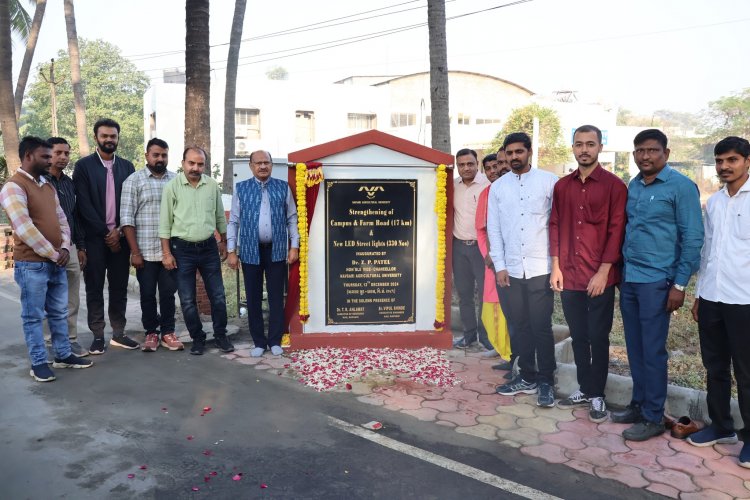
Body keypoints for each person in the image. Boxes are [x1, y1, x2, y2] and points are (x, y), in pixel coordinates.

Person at [611, 129, 703, 441]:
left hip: (658, 281)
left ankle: (653, 417)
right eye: (640, 151)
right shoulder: (634, 185)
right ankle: (638, 405)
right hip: (632, 280)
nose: (646, 156)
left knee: (652, 351)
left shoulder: (681, 187)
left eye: (652, 150)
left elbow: (692, 238)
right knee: (635, 349)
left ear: (665, 152)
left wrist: (680, 285)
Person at [550, 125, 627, 422]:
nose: (584, 149)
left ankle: (598, 396)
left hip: (599, 277)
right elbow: (555, 225)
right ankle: (585, 387)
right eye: (579, 144)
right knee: (579, 336)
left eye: (590, 144)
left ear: (600, 147)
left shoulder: (614, 186)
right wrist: (556, 267)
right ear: (572, 147)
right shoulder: (562, 186)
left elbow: (616, 230)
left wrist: (604, 271)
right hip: (569, 274)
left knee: (598, 337)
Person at [0, 136, 93, 381]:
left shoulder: (47, 185)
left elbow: (62, 220)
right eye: (45, 156)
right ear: (29, 156)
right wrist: (55, 254)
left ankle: (63, 355)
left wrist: (64, 248)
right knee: (33, 316)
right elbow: (24, 228)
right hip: (32, 264)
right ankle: (39, 362)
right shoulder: (13, 187)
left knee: (59, 312)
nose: (50, 160)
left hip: (55, 262)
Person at [688, 136, 750, 468]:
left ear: (747, 162)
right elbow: (707, 252)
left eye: (732, 160)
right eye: (720, 161)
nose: (725, 166)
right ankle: (721, 426)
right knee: (715, 368)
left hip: (745, 300)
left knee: (747, 371)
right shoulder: (714, 203)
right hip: (713, 297)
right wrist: (700, 295)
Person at [488, 132, 558, 407]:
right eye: (510, 152)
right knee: (521, 325)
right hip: (512, 269)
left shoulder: (549, 182)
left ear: (529, 152)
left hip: (541, 267)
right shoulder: (498, 188)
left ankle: (546, 382)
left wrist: (557, 266)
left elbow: (557, 225)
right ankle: (527, 377)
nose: (515, 157)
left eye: (520, 151)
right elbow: (493, 227)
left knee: (542, 327)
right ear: (504, 154)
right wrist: (500, 265)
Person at [159, 146, 234, 356]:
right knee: (187, 299)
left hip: (209, 247)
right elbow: (165, 224)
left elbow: (220, 216)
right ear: (183, 163)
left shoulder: (211, 185)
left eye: (200, 164)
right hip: (182, 249)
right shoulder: (172, 187)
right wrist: (166, 254)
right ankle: (197, 338)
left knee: (217, 295)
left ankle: (220, 335)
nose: (195, 167)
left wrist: (224, 241)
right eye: (191, 163)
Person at [73, 118, 137, 354]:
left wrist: (119, 230)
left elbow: (131, 203)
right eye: (105, 136)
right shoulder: (83, 166)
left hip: (120, 238)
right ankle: (98, 335)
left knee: (119, 287)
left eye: (113, 136)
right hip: (95, 239)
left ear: (118, 138)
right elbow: (84, 205)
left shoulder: (127, 167)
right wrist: (104, 232)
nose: (109, 140)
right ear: (96, 138)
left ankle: (118, 333)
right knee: (95, 287)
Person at [227, 150, 299, 357]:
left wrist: (294, 246)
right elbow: (234, 221)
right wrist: (232, 251)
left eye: (266, 162)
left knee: (277, 297)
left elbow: (291, 218)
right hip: (250, 251)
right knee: (253, 297)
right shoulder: (241, 189)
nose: (262, 166)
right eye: (258, 163)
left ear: (272, 165)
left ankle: (275, 339)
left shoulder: (282, 187)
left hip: (276, 251)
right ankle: (259, 341)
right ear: (250, 166)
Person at [120, 138, 182, 352]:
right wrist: (134, 252)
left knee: (167, 294)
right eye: (155, 155)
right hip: (144, 252)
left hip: (170, 253)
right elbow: (127, 220)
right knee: (146, 294)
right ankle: (151, 333)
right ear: (147, 155)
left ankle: (168, 332)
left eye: (164, 155)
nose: (160, 159)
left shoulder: (176, 181)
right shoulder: (133, 181)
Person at [42, 137, 88, 357]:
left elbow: (74, 216)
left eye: (66, 153)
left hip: (69, 247)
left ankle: (71, 340)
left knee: (71, 298)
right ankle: (49, 343)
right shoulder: (39, 181)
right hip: (46, 249)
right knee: (47, 297)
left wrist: (80, 247)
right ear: (47, 154)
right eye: (58, 152)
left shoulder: (69, 183)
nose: (63, 157)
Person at [452, 148, 493, 351]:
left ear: (477, 164)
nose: (466, 168)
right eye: (461, 164)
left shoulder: (488, 185)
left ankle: (486, 337)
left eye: (470, 164)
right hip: (459, 247)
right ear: (457, 166)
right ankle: (469, 336)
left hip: (481, 249)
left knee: (485, 294)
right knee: (464, 294)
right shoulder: (453, 186)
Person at [476, 150, 511, 361]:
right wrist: (488, 255)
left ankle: (512, 353)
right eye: (490, 167)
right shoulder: (486, 194)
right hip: (493, 263)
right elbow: (481, 228)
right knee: (492, 309)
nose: (495, 170)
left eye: (498, 165)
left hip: (518, 262)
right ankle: (501, 348)